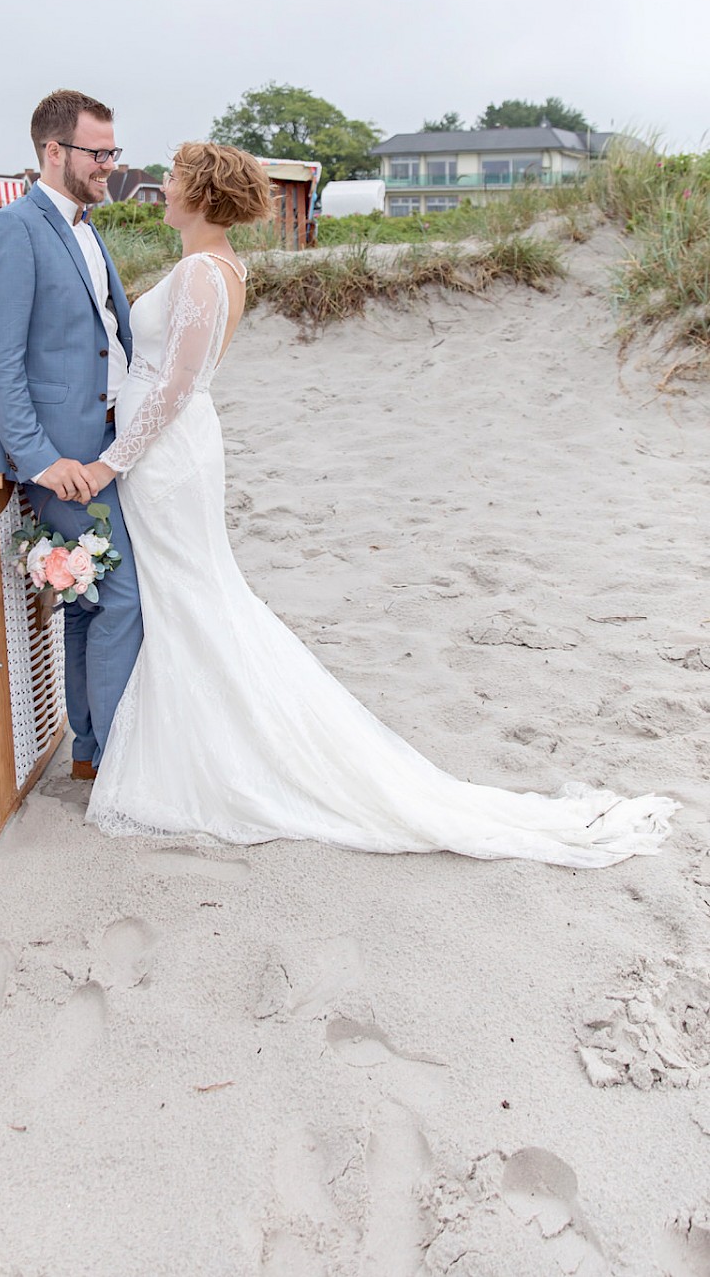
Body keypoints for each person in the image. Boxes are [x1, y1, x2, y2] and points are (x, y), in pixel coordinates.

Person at [77, 142, 675, 866]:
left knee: (194, 597)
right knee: (187, 598)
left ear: (200, 194)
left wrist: (111, 460)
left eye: (172, 179)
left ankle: (221, 750)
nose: (162, 188)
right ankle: (193, 737)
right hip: (168, 450)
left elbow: (174, 385)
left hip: (164, 456)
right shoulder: (212, 266)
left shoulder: (206, 271)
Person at [0, 89, 142, 781]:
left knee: (89, 602)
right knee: (123, 600)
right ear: (54, 151)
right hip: (62, 460)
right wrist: (41, 462)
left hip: (104, 447)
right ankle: (120, 757)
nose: (109, 165)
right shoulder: (15, 229)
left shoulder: (84, 226)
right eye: (97, 153)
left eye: (112, 152)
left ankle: (89, 755)